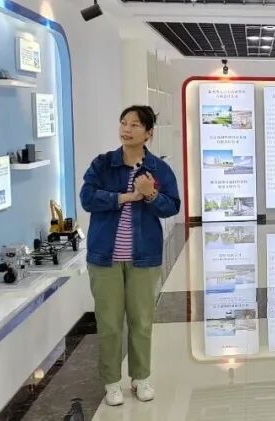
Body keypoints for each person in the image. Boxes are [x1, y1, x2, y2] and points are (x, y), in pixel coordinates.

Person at [80, 105, 181, 407]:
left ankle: (141, 378)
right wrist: (124, 197)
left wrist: (150, 193)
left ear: (148, 133)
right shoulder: (103, 164)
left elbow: (171, 206)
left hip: (144, 258)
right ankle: (112, 382)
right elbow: (87, 199)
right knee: (109, 323)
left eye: (135, 125)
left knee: (141, 322)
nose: (127, 129)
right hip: (104, 258)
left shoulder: (158, 169)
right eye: (124, 123)